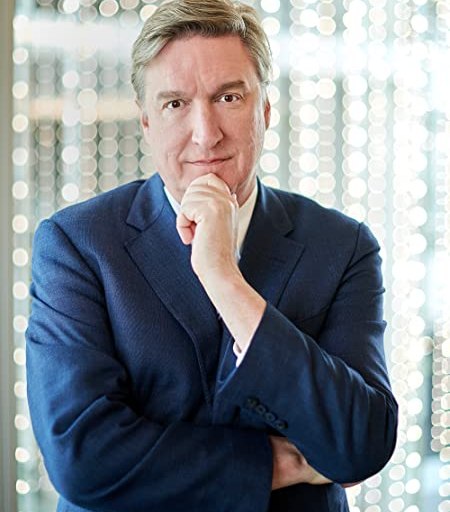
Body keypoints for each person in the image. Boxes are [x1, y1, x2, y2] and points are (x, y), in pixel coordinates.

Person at [26, 1, 398, 511]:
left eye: (228, 97)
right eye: (175, 103)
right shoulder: (76, 244)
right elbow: (82, 458)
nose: (205, 133)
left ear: (265, 110)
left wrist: (224, 277)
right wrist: (282, 463)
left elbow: (363, 444)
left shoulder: (342, 245)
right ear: (146, 122)